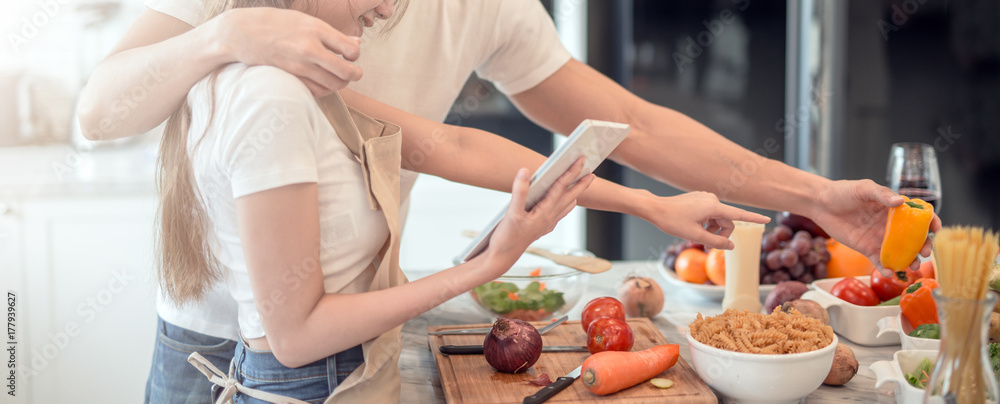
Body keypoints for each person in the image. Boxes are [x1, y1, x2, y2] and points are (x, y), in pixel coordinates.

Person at [76, 0, 939, 402]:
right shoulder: (260, 55)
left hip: (356, 344)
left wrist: (816, 197)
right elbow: (97, 109)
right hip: (223, 357)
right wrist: (225, 35)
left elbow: (590, 127)